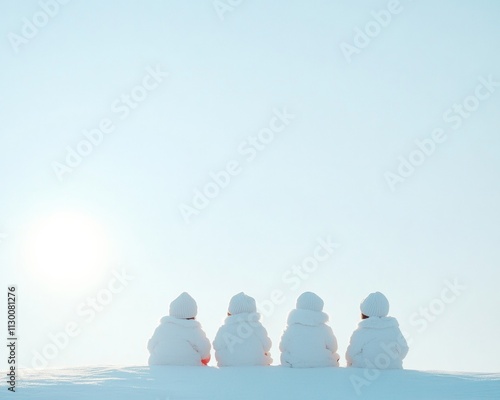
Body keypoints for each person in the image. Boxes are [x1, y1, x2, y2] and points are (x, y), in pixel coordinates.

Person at [346, 291, 409, 369]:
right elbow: (404, 349)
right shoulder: (394, 329)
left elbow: (351, 355)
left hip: (366, 373)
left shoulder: (362, 331)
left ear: (364, 312)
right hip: (393, 372)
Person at [147, 292, 211, 366]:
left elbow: (151, 346)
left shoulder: (161, 328)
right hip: (189, 366)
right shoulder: (194, 330)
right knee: (204, 360)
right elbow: (205, 351)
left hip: (158, 364)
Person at [280, 292, 340, 368]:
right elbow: (333, 348)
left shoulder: (292, 328)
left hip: (295, 364)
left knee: (285, 355)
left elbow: (282, 347)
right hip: (323, 363)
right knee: (335, 356)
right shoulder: (325, 329)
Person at [213, 292, 272, 366]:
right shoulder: (257, 327)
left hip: (229, 367)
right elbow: (267, 345)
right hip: (256, 367)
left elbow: (217, 346)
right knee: (266, 354)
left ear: (230, 311)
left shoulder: (224, 329)